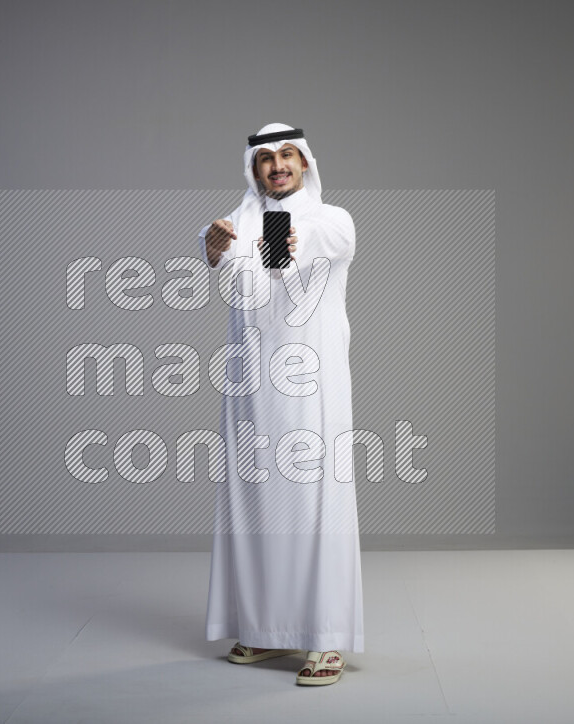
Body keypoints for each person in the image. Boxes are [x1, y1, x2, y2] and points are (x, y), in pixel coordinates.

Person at [197, 123, 364, 686]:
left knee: (319, 506)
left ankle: (327, 640)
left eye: (287, 155)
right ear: (253, 169)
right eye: (265, 158)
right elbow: (214, 246)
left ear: (305, 163)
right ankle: (266, 631)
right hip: (250, 389)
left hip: (313, 385)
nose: (276, 166)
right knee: (255, 504)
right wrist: (212, 247)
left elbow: (307, 243)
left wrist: (286, 242)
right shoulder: (233, 221)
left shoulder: (333, 219)